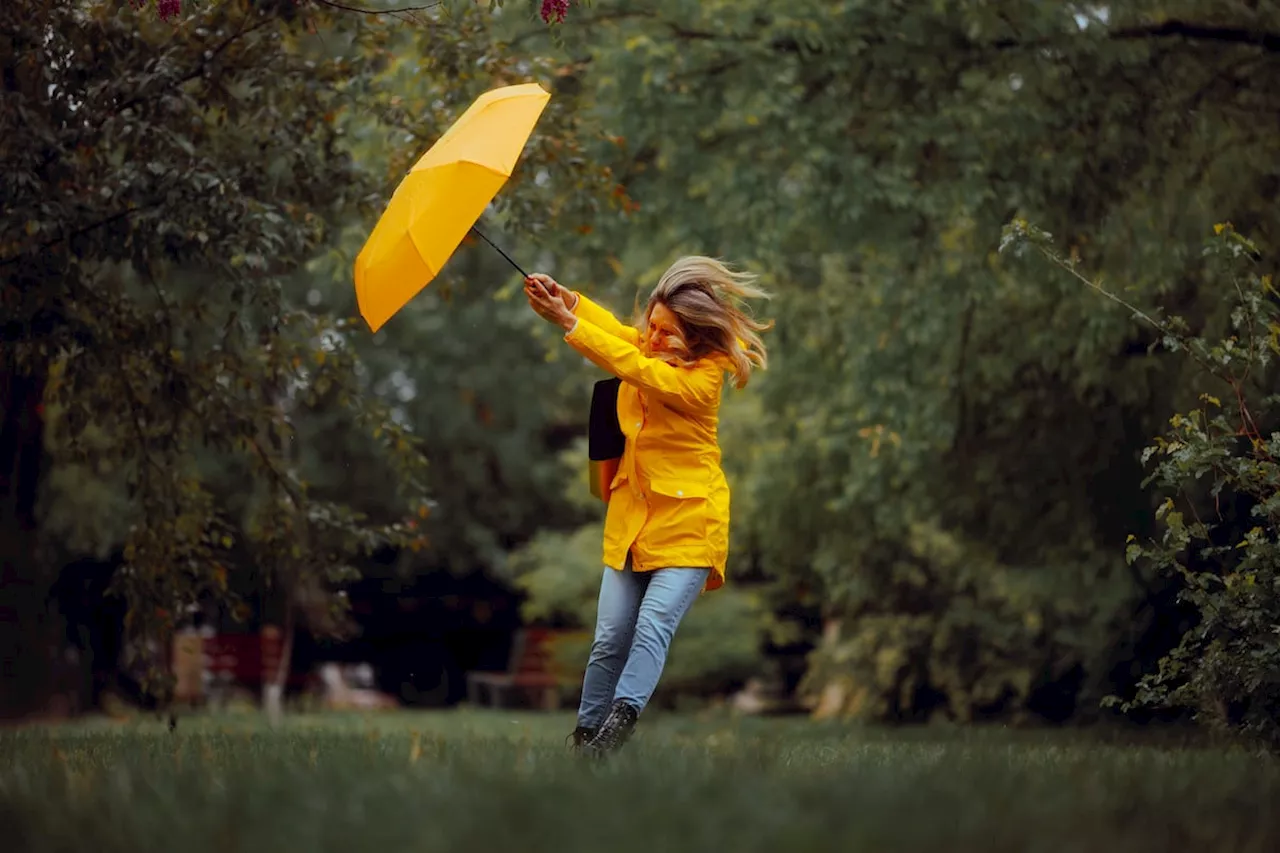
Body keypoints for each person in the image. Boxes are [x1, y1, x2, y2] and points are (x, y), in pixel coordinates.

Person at [522, 256, 772, 757]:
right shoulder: (649, 345)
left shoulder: (701, 380)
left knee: (652, 624)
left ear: (693, 336)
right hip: (632, 519)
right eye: (651, 327)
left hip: (689, 524)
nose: (651, 338)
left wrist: (568, 326)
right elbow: (615, 333)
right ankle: (586, 740)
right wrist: (568, 299)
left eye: (664, 332)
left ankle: (620, 723)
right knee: (609, 637)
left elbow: (630, 366)